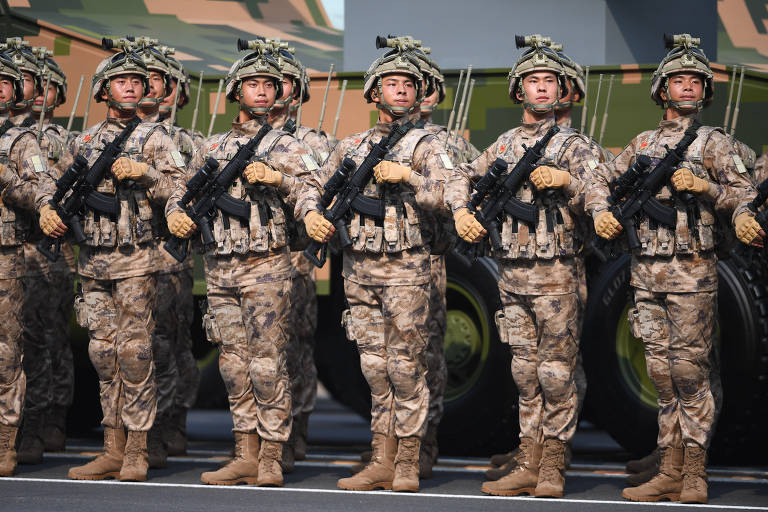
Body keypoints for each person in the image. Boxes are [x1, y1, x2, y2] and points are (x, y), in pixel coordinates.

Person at [586, 34, 759, 504]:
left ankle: (696, 473)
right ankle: (669, 467)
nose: (687, 88)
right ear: (662, 89)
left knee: (689, 371)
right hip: (645, 273)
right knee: (660, 374)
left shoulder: (713, 143)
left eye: (695, 82)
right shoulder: (643, 144)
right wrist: (600, 209)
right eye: (678, 80)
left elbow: (743, 195)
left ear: (705, 92)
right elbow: (600, 177)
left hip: (692, 273)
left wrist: (708, 190)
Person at [445, 34, 601, 499]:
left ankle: (552, 466)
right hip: (512, 274)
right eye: (533, 81)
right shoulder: (506, 144)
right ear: (519, 90)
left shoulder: (575, 144)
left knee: (557, 373)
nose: (542, 88)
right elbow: (460, 177)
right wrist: (460, 211)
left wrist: (568, 180)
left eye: (550, 81)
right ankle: (528, 459)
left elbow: (599, 190)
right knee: (524, 373)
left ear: (563, 90)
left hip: (557, 273)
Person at [296, 37, 453, 493]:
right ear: (373, 92)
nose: (400, 91)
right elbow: (312, 185)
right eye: (391, 83)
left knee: (406, 367)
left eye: (408, 84)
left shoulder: (427, 144)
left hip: (407, 271)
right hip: (360, 273)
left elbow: (449, 195)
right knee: (374, 368)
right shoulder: (351, 147)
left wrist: (411, 176)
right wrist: (311, 214)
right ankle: (382, 456)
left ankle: (407, 460)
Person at [166, 38, 315, 487]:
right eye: (253, 84)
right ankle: (244, 452)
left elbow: (311, 188)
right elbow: (182, 189)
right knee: (233, 365)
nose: (263, 92)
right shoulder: (212, 146)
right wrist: (175, 211)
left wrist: (281, 180)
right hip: (220, 267)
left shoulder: (286, 145)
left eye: (270, 85)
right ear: (236, 91)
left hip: (267, 266)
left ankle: (271, 455)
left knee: (268, 363)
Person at [37, 40, 185, 482]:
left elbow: (180, 188)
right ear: (104, 89)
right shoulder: (82, 140)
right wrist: (47, 206)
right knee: (103, 354)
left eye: (138, 82)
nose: (131, 87)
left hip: (138, 260)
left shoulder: (155, 136)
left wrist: (147, 174)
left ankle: (138, 450)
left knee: (136, 354)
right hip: (94, 262)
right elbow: (56, 183)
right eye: (122, 81)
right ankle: (112, 448)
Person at [0, 49, 43, 477]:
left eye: (4, 81)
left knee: (6, 356)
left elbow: (39, 195)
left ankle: (4, 445)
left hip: (4, 261)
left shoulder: (22, 141)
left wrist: (3, 176)